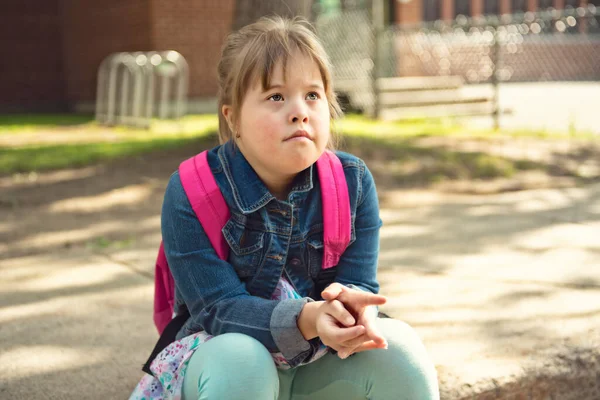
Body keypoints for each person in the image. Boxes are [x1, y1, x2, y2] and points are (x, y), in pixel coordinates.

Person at [130, 16, 439, 400]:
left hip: (321, 361)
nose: (299, 111)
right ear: (233, 117)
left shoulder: (352, 182)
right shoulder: (192, 192)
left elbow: (359, 284)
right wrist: (305, 319)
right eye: (276, 96)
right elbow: (218, 309)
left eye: (312, 95)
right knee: (243, 361)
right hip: (224, 363)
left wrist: (354, 311)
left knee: (401, 350)